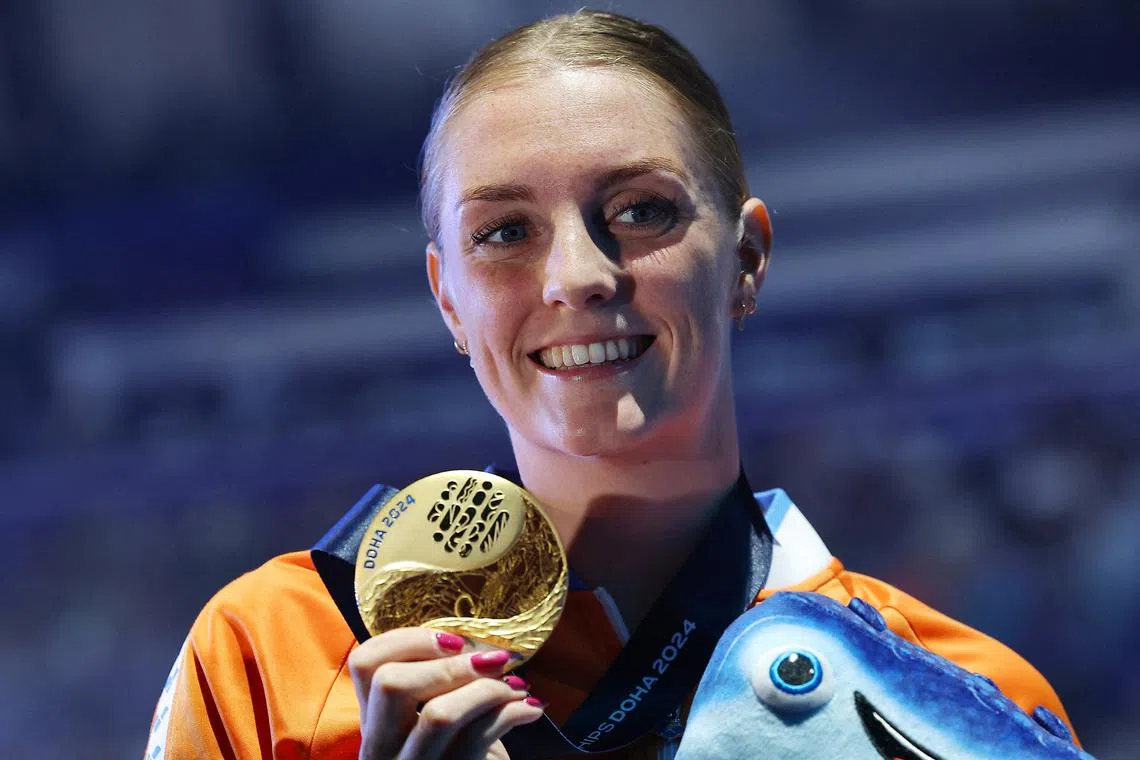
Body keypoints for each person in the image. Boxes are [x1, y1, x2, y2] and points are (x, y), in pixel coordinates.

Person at [145, 9, 1076, 760]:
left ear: (746, 258)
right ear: (449, 304)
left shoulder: (957, 705)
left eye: (639, 211)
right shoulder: (270, 650)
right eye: (504, 231)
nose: (578, 277)